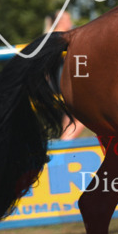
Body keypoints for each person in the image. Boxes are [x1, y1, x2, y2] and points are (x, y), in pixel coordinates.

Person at [45, 9, 86, 140]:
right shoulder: (63, 37)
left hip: (53, 84)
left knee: (70, 118)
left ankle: (63, 144)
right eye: (68, 19)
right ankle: (64, 144)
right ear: (61, 21)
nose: (71, 22)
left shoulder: (48, 37)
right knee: (83, 115)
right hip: (63, 83)